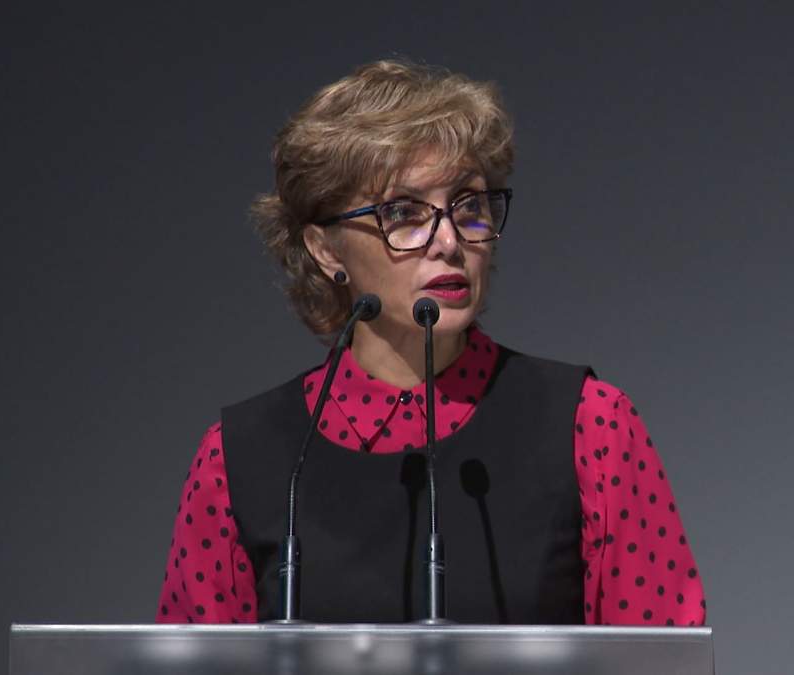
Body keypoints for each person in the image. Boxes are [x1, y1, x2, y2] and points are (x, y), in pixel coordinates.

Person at [156, 60, 705, 625]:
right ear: (325, 249)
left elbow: (659, 656)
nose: (448, 240)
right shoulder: (239, 459)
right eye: (403, 213)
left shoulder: (591, 425)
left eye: (469, 206)